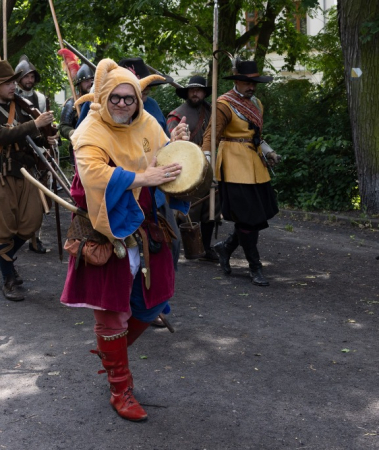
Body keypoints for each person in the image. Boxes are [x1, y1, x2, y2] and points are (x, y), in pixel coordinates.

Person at [60, 58, 190, 422]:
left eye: (128, 98)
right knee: (112, 314)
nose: (122, 104)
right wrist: (141, 178)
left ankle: (110, 352)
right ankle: (120, 387)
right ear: (102, 98)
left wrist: (177, 143)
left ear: (137, 99)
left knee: (155, 301)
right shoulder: (88, 132)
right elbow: (94, 175)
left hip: (146, 225)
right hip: (105, 227)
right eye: (115, 98)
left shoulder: (148, 122)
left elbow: (164, 158)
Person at [0, 60, 55, 299]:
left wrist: (43, 140)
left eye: (12, 81)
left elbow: (25, 138)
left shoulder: (17, 108)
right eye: (8, 83)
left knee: (32, 221)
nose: (13, 86)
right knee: (4, 230)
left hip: (24, 174)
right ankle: (8, 278)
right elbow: (2, 135)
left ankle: (3, 257)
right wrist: (34, 124)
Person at [203, 60, 280, 286]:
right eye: (247, 82)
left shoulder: (256, 103)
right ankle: (255, 267)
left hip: (255, 166)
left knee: (256, 218)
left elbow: (256, 135)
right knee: (247, 219)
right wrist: (205, 162)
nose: (251, 86)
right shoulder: (224, 104)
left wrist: (269, 151)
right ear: (236, 80)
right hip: (234, 167)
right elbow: (210, 136)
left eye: (254, 82)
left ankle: (225, 247)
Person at [167, 76, 218, 261]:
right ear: (187, 92)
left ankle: (206, 247)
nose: (195, 93)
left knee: (211, 207)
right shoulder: (177, 115)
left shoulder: (212, 112)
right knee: (191, 209)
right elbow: (172, 146)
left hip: (210, 167)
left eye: (199, 90)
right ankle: (191, 246)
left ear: (205, 93)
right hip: (189, 167)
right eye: (192, 90)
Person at [14, 55, 53, 254]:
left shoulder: (40, 98)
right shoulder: (12, 98)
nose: (29, 80)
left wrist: (51, 139)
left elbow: (46, 126)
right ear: (19, 78)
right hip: (18, 153)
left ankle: (35, 238)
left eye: (32, 76)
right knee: (18, 198)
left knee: (40, 198)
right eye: (26, 76)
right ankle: (15, 237)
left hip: (38, 152)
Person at [59, 63, 94, 165]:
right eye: (86, 81)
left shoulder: (100, 101)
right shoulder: (72, 103)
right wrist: (73, 133)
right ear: (79, 84)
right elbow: (63, 126)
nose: (90, 83)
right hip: (79, 148)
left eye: (92, 80)